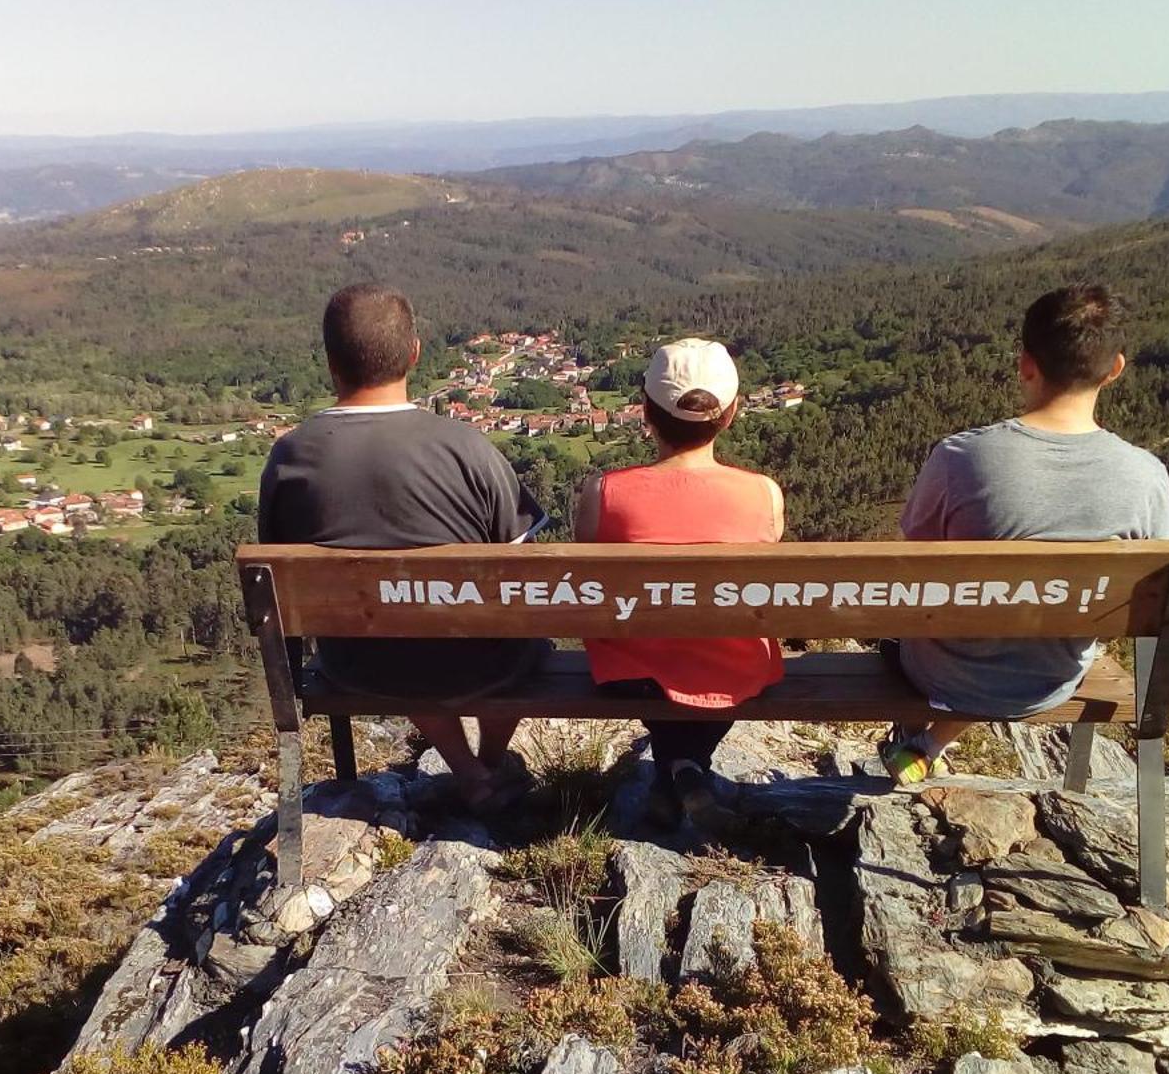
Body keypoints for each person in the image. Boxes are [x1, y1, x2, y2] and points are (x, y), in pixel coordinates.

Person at [258, 283, 547, 811]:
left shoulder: (289, 457)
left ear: (329, 362)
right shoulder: (467, 449)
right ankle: (489, 762)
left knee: (402, 638)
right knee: (514, 632)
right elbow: (519, 563)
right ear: (415, 353)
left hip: (357, 664)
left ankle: (469, 773)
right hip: (483, 664)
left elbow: (275, 576)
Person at [882, 284, 1169, 783]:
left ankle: (919, 741)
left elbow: (914, 562)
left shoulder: (960, 459)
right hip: (1054, 678)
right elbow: (1165, 586)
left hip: (943, 672)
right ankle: (930, 743)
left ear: (1025, 363)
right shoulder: (1146, 476)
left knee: (906, 630)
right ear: (1115, 370)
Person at [576, 338, 785, 828]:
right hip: (735, 667)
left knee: (656, 664)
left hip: (630, 672)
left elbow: (588, 577)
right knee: (706, 662)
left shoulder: (605, 493)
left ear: (647, 413)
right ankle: (688, 769)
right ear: (730, 413)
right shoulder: (763, 495)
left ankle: (678, 772)